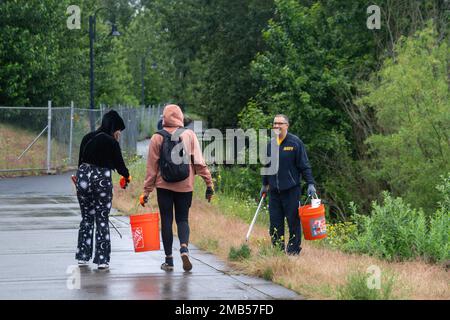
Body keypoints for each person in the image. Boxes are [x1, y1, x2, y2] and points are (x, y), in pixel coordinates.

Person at [141, 104, 214, 271]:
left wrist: (146, 191)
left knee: (166, 220)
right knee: (182, 219)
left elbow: (151, 169)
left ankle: (169, 260)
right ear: (180, 117)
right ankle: (184, 248)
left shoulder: (157, 137)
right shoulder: (189, 135)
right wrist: (209, 183)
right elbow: (199, 162)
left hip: (164, 186)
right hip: (185, 185)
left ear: (164, 118)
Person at [75, 110, 131, 270]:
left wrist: (80, 179)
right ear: (114, 127)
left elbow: (80, 161)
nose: (119, 133)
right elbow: (120, 166)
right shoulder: (111, 142)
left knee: (87, 218)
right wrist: (127, 176)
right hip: (101, 180)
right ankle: (102, 260)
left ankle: (83, 257)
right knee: (101, 219)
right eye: (118, 130)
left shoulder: (88, 137)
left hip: (83, 178)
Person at [260, 114, 316, 255]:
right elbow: (266, 166)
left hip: (291, 190)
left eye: (280, 123)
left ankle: (293, 251)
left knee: (293, 222)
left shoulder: (295, 143)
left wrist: (310, 183)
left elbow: (304, 165)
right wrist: (264, 184)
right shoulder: (270, 144)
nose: (277, 126)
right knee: (275, 224)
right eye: (275, 123)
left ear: (287, 125)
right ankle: (278, 251)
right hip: (274, 192)